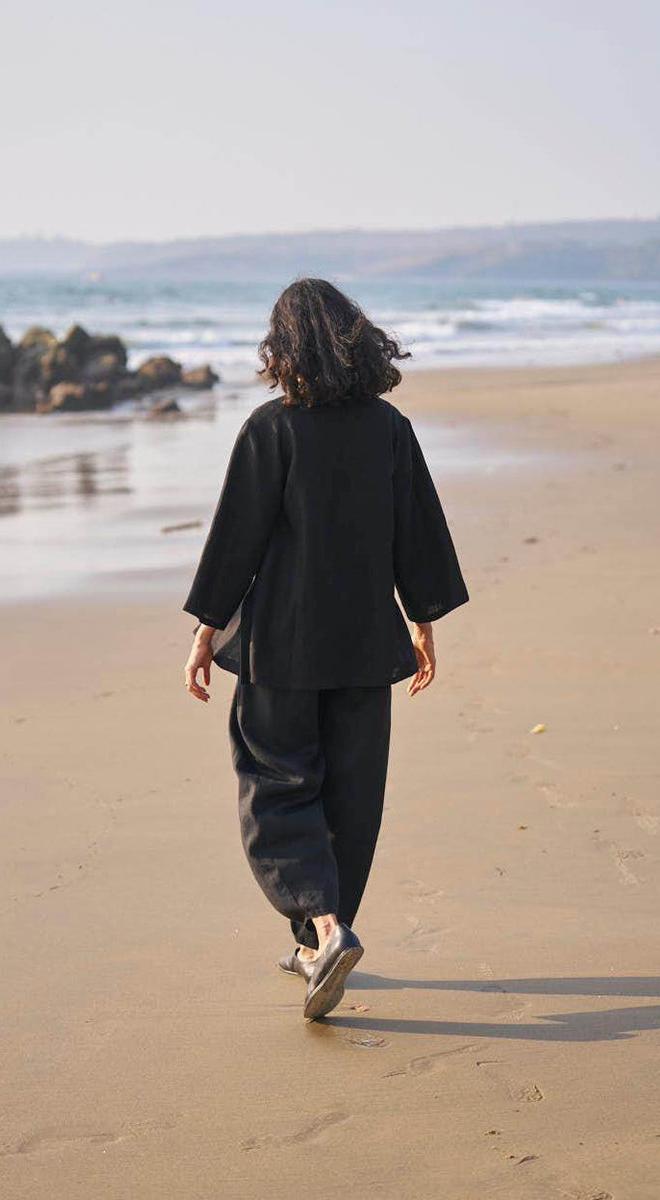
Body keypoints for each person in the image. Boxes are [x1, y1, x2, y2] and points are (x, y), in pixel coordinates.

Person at [182, 278, 469, 1022]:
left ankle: (326, 923)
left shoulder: (271, 429)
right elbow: (418, 529)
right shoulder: (389, 429)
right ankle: (315, 944)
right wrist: (423, 618)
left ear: (283, 347)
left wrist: (207, 627)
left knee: (275, 782)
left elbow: (237, 538)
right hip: (366, 644)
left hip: (282, 644)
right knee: (352, 795)